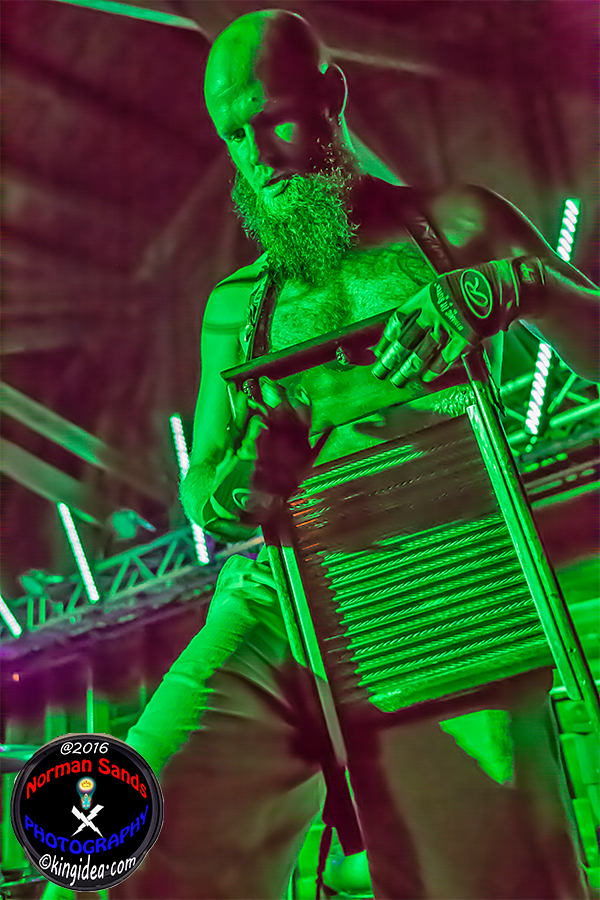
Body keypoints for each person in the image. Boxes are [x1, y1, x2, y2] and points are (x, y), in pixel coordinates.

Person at [100, 9, 599, 900]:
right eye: (235, 135)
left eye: (275, 119)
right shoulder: (233, 309)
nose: (259, 154)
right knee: (115, 837)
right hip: (275, 607)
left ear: (330, 95)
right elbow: (205, 488)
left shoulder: (458, 226)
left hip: (440, 600)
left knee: (486, 886)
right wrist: (238, 487)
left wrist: (515, 285)